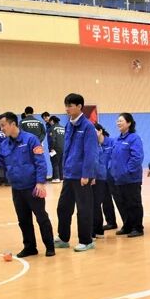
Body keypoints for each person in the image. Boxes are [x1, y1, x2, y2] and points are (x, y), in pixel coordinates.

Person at [0, 112, 54, 257]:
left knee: (41, 217)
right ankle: (30, 247)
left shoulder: (31, 139)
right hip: (17, 188)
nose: (1, 129)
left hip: (33, 187)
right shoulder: (4, 144)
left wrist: (40, 182)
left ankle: (50, 246)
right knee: (23, 220)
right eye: (0, 126)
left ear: (13, 124)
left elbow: (40, 162)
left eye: (3, 125)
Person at [55, 93, 97, 252]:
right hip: (69, 174)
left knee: (84, 209)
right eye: (66, 105)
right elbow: (67, 150)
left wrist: (86, 174)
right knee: (63, 207)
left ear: (79, 106)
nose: (67, 108)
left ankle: (86, 241)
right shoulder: (68, 125)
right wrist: (64, 170)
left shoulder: (88, 127)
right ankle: (63, 238)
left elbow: (90, 153)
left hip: (81, 176)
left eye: (70, 105)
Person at [110, 112, 145, 237]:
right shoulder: (117, 140)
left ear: (129, 123)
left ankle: (138, 228)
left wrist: (127, 170)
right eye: (118, 121)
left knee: (133, 203)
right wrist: (113, 170)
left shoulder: (134, 138)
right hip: (119, 178)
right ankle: (128, 225)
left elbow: (137, 157)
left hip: (131, 178)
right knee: (123, 204)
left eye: (121, 121)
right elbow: (113, 157)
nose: (118, 123)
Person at [93, 123, 118, 236]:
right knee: (105, 200)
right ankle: (111, 222)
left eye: (94, 131)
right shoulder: (93, 145)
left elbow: (114, 158)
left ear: (100, 131)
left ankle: (128, 224)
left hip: (113, 176)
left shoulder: (111, 142)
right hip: (101, 178)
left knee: (119, 200)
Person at [48, 112, 65, 183]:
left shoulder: (52, 128)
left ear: (52, 121)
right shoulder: (63, 128)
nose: (49, 123)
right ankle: (61, 178)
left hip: (55, 148)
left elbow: (53, 139)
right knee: (60, 163)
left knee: (55, 163)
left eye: (50, 122)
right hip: (63, 148)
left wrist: (51, 147)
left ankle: (56, 178)